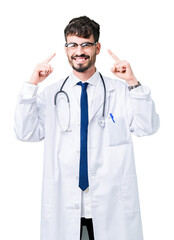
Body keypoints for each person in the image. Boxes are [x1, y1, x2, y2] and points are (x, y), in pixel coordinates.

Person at [14, 16, 160, 240]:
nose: (78, 51)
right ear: (66, 49)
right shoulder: (52, 94)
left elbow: (147, 127)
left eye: (85, 44)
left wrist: (133, 82)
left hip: (112, 207)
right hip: (65, 207)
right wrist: (30, 86)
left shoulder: (120, 92)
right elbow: (25, 132)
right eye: (72, 44)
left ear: (97, 48)